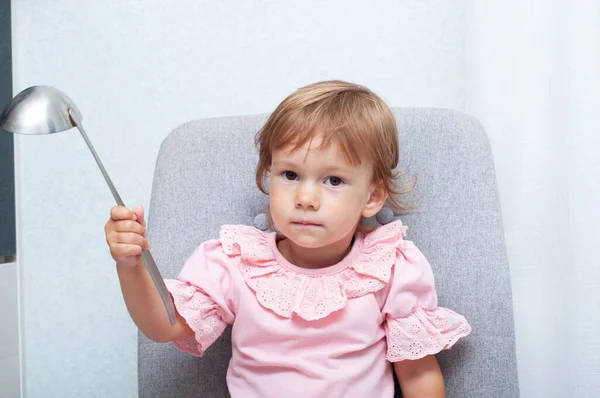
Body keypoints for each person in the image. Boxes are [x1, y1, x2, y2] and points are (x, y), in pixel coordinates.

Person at [104, 80, 471, 397]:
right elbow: (164, 325)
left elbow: (419, 375)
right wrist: (130, 266)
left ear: (372, 198)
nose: (306, 199)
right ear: (268, 176)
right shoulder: (236, 262)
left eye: (334, 181)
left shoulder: (391, 268)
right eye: (290, 175)